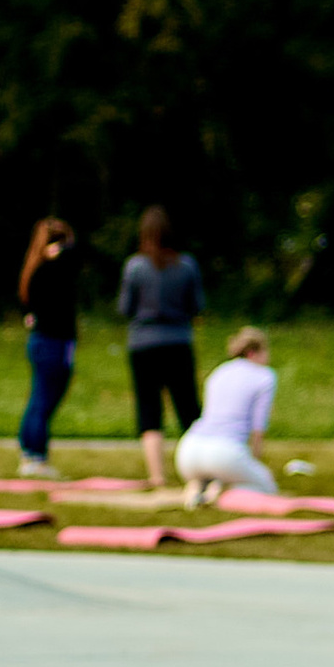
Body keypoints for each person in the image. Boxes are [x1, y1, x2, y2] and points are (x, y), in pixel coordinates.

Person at [118, 208, 204, 490]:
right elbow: (196, 306)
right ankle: (201, 472)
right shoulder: (187, 266)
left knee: (148, 408)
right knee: (188, 408)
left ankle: (158, 476)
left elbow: (125, 308)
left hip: (143, 344)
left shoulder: (135, 267)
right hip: (178, 341)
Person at [176, 328, 280, 502]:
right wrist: (254, 461)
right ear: (253, 352)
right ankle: (223, 491)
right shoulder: (264, 376)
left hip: (189, 449)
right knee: (266, 486)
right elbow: (258, 427)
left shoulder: (219, 371)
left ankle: (199, 486)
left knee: (219, 471)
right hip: (224, 452)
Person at [17, 216, 80, 477]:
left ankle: (30, 452)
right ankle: (35, 456)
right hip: (52, 342)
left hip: (45, 341)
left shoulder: (35, 268)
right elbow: (76, 258)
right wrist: (64, 250)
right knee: (43, 399)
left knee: (40, 398)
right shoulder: (52, 269)